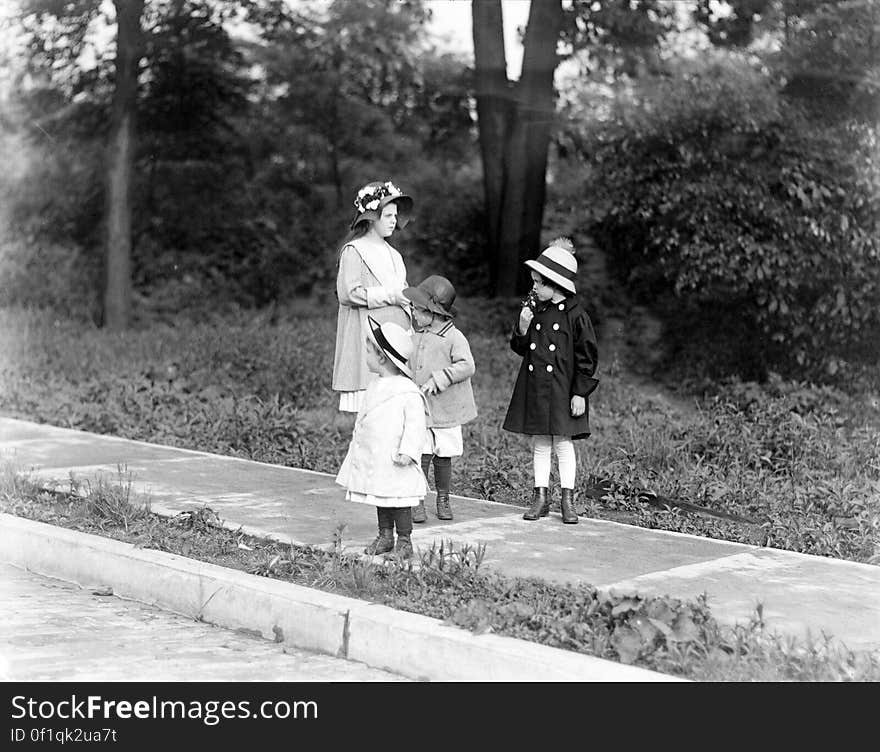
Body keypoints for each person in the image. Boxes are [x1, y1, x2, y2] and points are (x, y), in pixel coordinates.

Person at [502, 238, 599, 525]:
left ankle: (567, 499)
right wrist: (522, 328)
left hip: (562, 388)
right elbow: (521, 348)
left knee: (563, 443)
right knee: (541, 442)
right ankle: (540, 497)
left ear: (555, 284)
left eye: (538, 283)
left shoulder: (576, 315)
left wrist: (580, 392)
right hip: (536, 387)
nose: (533, 288)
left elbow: (587, 357)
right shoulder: (537, 311)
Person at [335, 317, 427, 559]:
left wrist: (408, 451)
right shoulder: (375, 386)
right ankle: (385, 535)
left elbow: (416, 425)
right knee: (382, 495)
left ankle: (404, 540)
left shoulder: (407, 391)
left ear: (382, 357)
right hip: (377, 456)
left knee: (398, 498)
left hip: (396, 457)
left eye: (368, 351)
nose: (365, 355)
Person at [332, 180, 414, 415]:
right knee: (370, 410)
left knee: (393, 408)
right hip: (368, 334)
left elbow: (404, 293)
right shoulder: (354, 250)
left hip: (396, 334)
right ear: (371, 217)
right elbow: (349, 293)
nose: (393, 221)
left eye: (395, 216)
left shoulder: (395, 256)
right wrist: (391, 295)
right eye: (387, 215)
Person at [403, 275, 477, 523]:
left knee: (443, 454)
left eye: (418, 309)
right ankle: (418, 498)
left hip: (447, 408)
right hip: (422, 409)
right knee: (421, 452)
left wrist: (441, 377)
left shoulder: (454, 337)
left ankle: (443, 497)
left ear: (433, 312)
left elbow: (467, 365)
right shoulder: (416, 334)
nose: (413, 313)